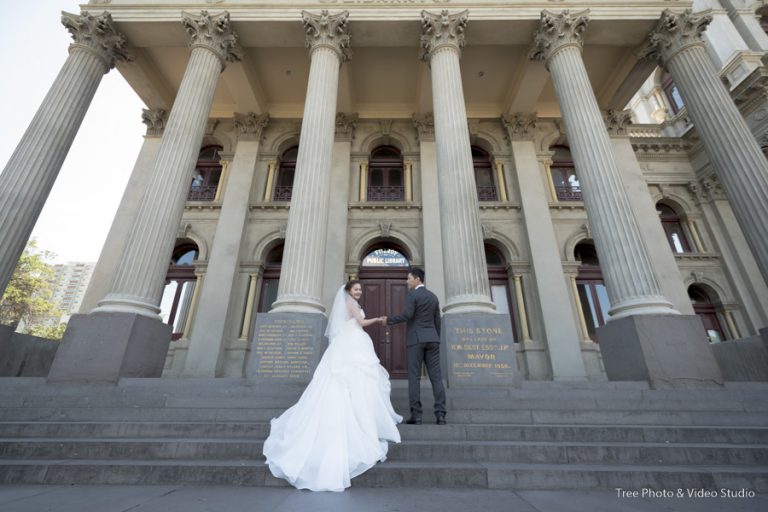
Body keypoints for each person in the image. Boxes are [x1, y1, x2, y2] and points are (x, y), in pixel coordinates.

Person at [262, 280, 402, 492]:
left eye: (360, 290)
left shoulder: (349, 303)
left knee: (353, 380)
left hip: (350, 343)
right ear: (348, 291)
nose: (359, 292)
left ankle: (357, 413)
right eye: (356, 289)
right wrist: (378, 319)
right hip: (352, 343)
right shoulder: (351, 304)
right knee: (349, 379)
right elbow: (361, 323)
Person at [383, 267, 446, 425]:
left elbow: (408, 315)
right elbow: (437, 320)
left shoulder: (413, 294)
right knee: (436, 378)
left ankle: (416, 416)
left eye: (409, 278)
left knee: (414, 378)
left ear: (417, 279)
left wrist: (389, 320)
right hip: (432, 339)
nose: (407, 281)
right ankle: (441, 415)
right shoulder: (433, 296)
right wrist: (436, 337)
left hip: (416, 340)